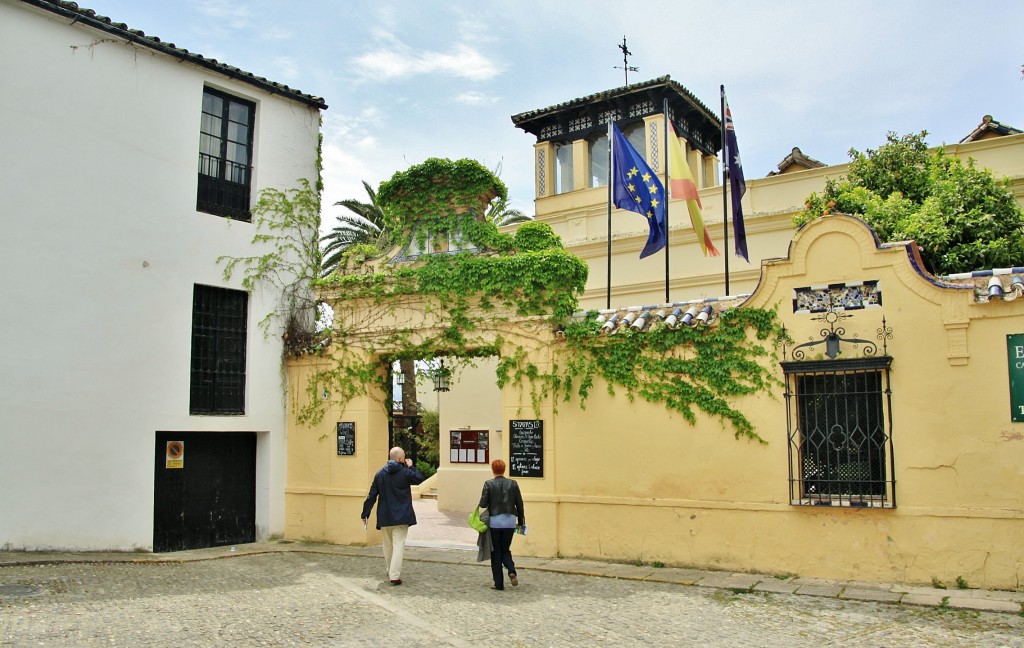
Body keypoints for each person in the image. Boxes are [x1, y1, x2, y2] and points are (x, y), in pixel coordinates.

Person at [361, 447, 424, 585]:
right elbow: (419, 478)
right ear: (400, 458)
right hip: (402, 515)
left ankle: (390, 569)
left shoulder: (380, 473)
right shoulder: (405, 472)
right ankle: (394, 575)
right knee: (398, 544)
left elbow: (372, 495)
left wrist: (365, 513)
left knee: (388, 545)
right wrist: (411, 466)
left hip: (385, 515)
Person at [478, 458, 525, 591]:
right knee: (505, 549)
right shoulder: (513, 484)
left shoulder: (489, 484)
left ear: (493, 470)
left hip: (495, 522)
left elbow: (483, 504)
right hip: (510, 522)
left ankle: (498, 584)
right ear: (504, 469)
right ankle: (511, 570)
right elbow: (519, 504)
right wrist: (521, 523)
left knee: (496, 551)